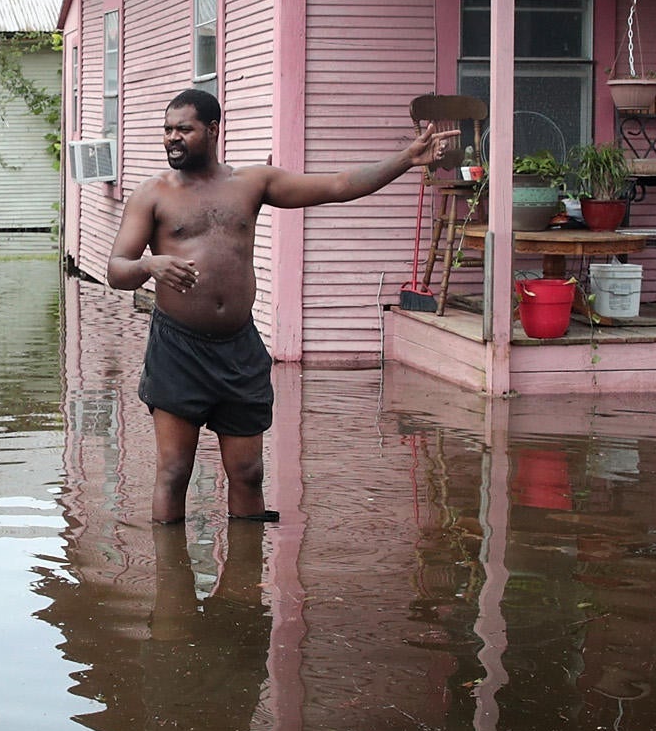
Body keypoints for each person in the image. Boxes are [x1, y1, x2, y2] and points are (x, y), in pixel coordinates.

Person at [110, 88, 452, 524]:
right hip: (178, 349)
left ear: (213, 129)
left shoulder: (252, 184)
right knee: (175, 471)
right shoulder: (151, 195)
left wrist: (405, 159)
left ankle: (246, 585)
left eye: (184, 129)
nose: (172, 138)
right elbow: (116, 270)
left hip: (238, 348)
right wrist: (150, 264)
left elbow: (338, 186)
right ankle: (170, 588)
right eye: (167, 130)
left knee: (249, 472)